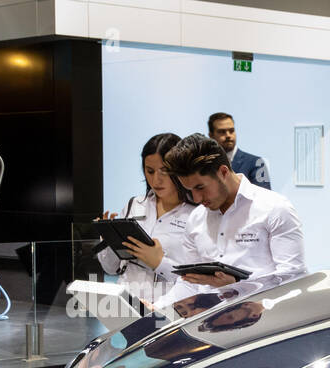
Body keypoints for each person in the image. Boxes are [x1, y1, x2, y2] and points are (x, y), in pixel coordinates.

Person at [158, 133, 305, 306]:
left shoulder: (275, 208)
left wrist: (238, 285)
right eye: (190, 190)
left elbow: (293, 281)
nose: (196, 198)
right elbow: (190, 283)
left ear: (223, 172)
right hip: (207, 326)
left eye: (200, 187)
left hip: (262, 325)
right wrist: (157, 309)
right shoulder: (196, 219)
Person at [95, 132, 195, 306]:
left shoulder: (197, 214)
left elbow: (200, 282)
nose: (156, 179)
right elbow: (110, 268)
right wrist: (109, 240)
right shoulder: (134, 205)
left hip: (171, 310)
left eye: (165, 171)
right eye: (150, 171)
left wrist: (159, 263)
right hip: (125, 306)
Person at [208, 112, 271, 189]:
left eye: (231, 131)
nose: (228, 135)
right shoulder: (204, 165)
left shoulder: (257, 163)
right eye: (222, 132)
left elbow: (264, 196)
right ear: (211, 136)